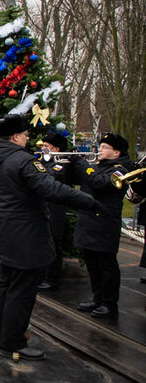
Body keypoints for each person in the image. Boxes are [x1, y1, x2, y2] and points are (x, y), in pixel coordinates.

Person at [0, 114, 102, 360]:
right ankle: (13, 343)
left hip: (6, 230)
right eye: (26, 134)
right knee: (22, 290)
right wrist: (88, 201)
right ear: (15, 136)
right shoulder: (22, 160)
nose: (29, 138)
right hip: (27, 233)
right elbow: (50, 188)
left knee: (5, 285)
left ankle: (1, 338)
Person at [70, 133, 133, 318]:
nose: (100, 149)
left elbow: (99, 183)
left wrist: (82, 164)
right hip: (89, 222)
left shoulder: (120, 170)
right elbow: (80, 179)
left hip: (104, 222)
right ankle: (97, 298)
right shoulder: (98, 166)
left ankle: (109, 303)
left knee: (107, 266)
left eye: (105, 147)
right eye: (101, 146)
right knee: (93, 264)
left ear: (116, 152)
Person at [36, 132, 72, 291]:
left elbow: (52, 176)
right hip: (42, 206)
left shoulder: (61, 163)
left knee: (53, 242)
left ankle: (52, 278)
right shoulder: (41, 161)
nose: (43, 148)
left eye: (46, 146)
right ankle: (41, 274)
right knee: (42, 241)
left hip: (55, 208)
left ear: (56, 149)